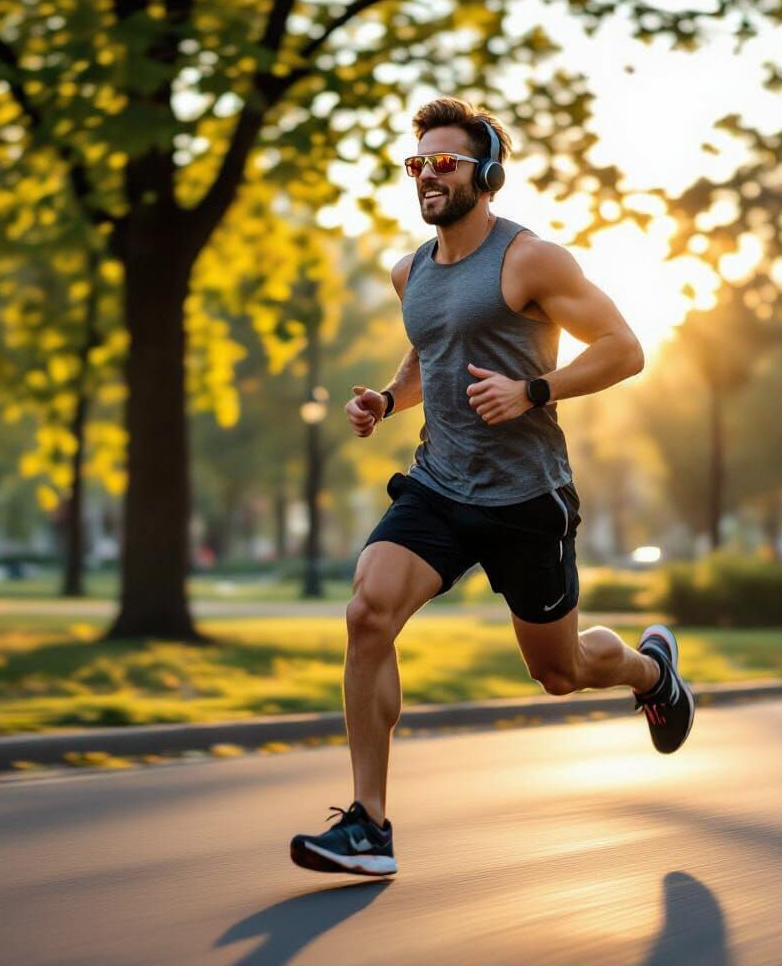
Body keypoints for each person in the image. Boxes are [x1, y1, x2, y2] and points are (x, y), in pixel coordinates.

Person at [290, 97, 694, 878]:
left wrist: (534, 391)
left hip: (524, 497)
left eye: (445, 163)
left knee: (559, 673)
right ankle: (369, 827)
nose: (428, 177)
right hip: (440, 485)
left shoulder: (530, 260)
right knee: (368, 612)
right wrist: (385, 398)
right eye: (418, 165)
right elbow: (428, 358)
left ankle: (651, 672)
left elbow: (625, 348)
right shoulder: (409, 270)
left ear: (488, 173)